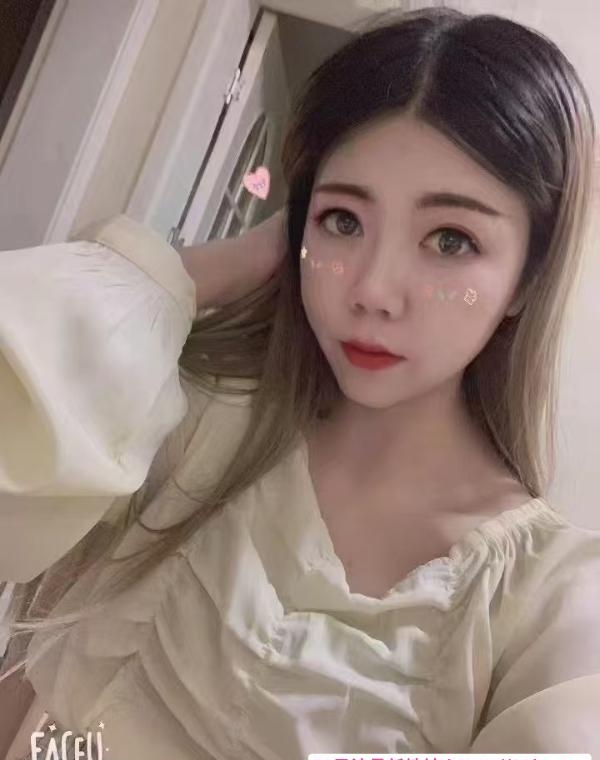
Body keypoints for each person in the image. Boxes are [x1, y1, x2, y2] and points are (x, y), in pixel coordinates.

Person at [1, 6, 599, 757]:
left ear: (526, 281)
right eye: (344, 220)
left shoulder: (548, 602)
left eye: (450, 240)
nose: (373, 290)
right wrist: (218, 267)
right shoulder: (186, 417)